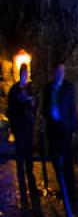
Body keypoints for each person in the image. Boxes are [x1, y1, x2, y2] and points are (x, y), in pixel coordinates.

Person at [43, 62, 78, 202]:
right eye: (58, 71)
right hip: (52, 128)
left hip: (65, 129)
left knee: (67, 162)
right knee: (55, 161)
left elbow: (72, 109)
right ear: (54, 72)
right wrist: (48, 113)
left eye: (62, 72)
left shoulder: (69, 88)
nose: (60, 74)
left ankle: (71, 194)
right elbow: (44, 108)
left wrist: (73, 129)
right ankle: (62, 189)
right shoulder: (48, 88)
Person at [7, 64, 38, 204]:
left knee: (29, 158)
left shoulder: (31, 89)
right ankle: (21, 184)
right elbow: (10, 109)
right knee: (20, 158)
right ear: (20, 74)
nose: (24, 75)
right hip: (19, 129)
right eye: (22, 73)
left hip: (29, 128)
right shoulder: (14, 90)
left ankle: (32, 186)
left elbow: (35, 105)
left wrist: (32, 104)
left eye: (26, 73)